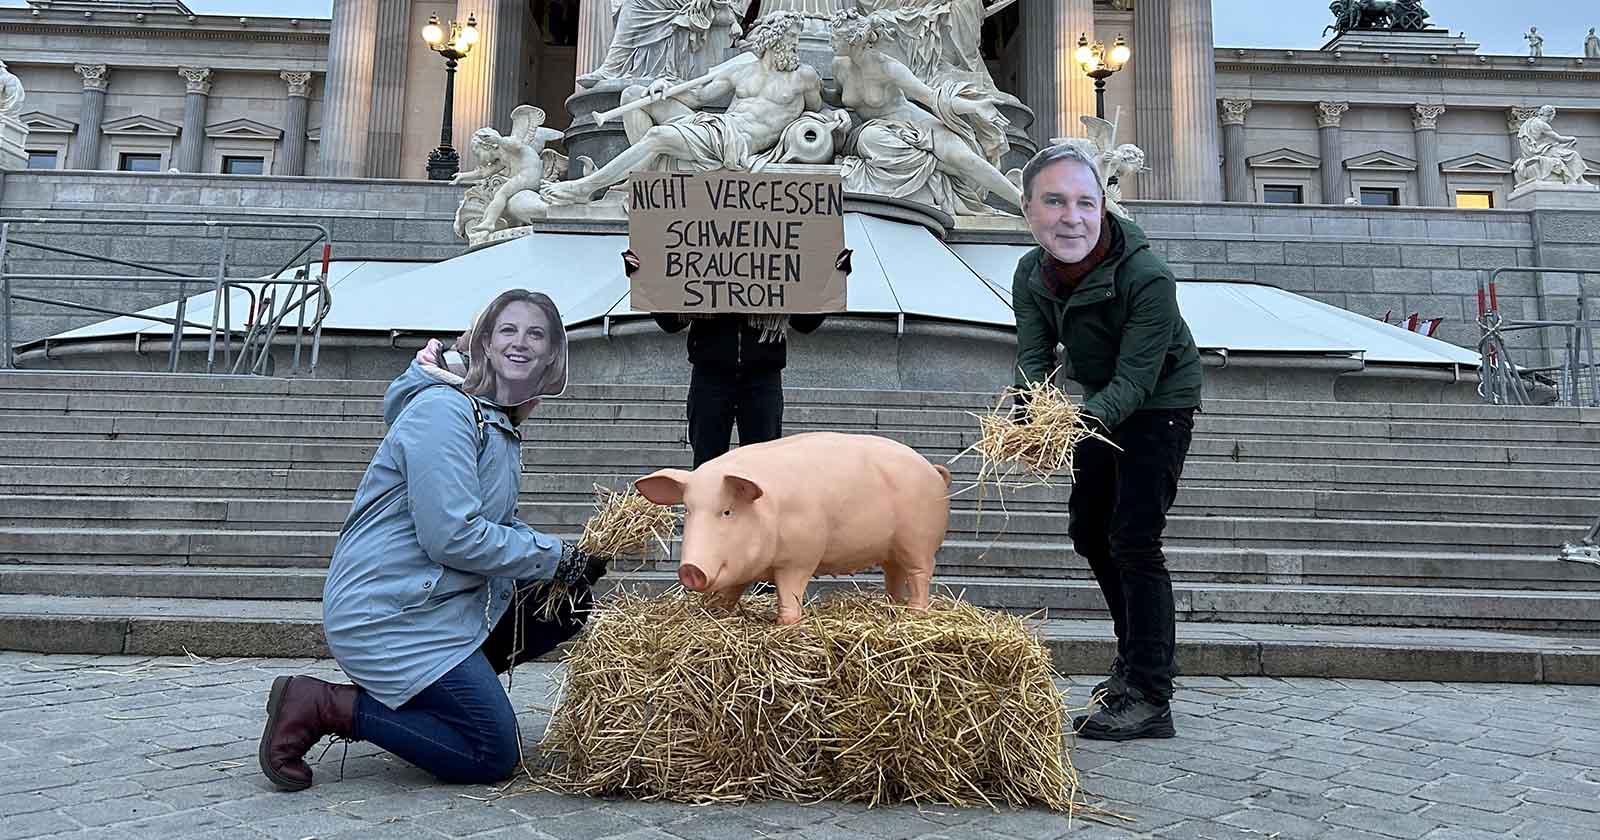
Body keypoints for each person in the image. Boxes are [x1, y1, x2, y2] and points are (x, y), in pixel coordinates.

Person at [258, 289, 606, 790]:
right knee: (490, 753)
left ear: (553, 353)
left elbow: (496, 525)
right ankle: (323, 703)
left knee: (566, 602)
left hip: (438, 603)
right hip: (391, 613)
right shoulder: (445, 411)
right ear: (484, 342)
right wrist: (552, 557)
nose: (521, 343)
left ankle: (429, 695)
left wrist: (569, 560)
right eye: (508, 330)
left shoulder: (497, 420)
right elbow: (454, 536)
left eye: (536, 334)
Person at [1011, 143, 1203, 741]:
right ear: (1027, 209)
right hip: (1101, 403)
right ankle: (1133, 663)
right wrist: (1026, 410)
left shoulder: (1148, 276)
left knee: (1134, 538)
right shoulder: (1030, 272)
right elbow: (1035, 356)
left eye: (1085, 203)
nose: (1072, 217)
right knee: (1089, 531)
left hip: (1159, 405)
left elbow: (1139, 379)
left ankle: (1151, 692)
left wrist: (1072, 424)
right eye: (1055, 201)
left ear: (1103, 208)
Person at [652, 312, 826, 467]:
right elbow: (669, 322)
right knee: (708, 464)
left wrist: (833, 281)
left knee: (761, 467)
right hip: (710, 375)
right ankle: (707, 503)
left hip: (762, 377)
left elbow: (806, 322)